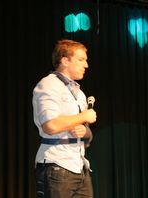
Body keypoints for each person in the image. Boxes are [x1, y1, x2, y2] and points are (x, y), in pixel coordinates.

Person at [33, 39, 97, 197]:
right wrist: (84, 116)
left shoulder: (79, 93)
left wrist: (85, 132)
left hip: (80, 167)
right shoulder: (48, 84)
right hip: (57, 167)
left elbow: (86, 135)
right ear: (65, 60)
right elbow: (51, 125)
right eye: (81, 60)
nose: (86, 65)